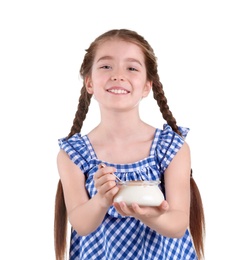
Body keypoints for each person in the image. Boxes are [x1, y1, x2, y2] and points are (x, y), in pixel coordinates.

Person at [54, 29, 205, 260]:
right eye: (106, 66)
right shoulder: (74, 155)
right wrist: (102, 200)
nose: (118, 75)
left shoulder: (170, 148)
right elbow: (81, 224)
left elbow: (177, 224)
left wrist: (148, 215)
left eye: (132, 68)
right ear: (89, 82)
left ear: (147, 86)